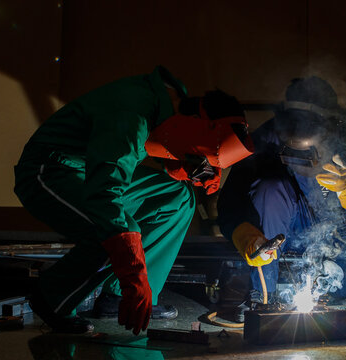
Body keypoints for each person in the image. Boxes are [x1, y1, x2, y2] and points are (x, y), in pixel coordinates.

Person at [14, 66, 254, 334]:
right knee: (106, 229)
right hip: (49, 171)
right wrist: (133, 274)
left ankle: (117, 298)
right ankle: (51, 298)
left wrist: (184, 166)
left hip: (89, 168)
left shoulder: (167, 102)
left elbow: (151, 145)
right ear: (197, 120)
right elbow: (106, 192)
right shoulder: (132, 115)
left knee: (177, 197)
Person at [217, 76, 346, 321]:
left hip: (345, 231)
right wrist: (246, 235)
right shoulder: (268, 137)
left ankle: (340, 289)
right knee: (271, 190)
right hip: (288, 235)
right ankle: (263, 297)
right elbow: (230, 201)